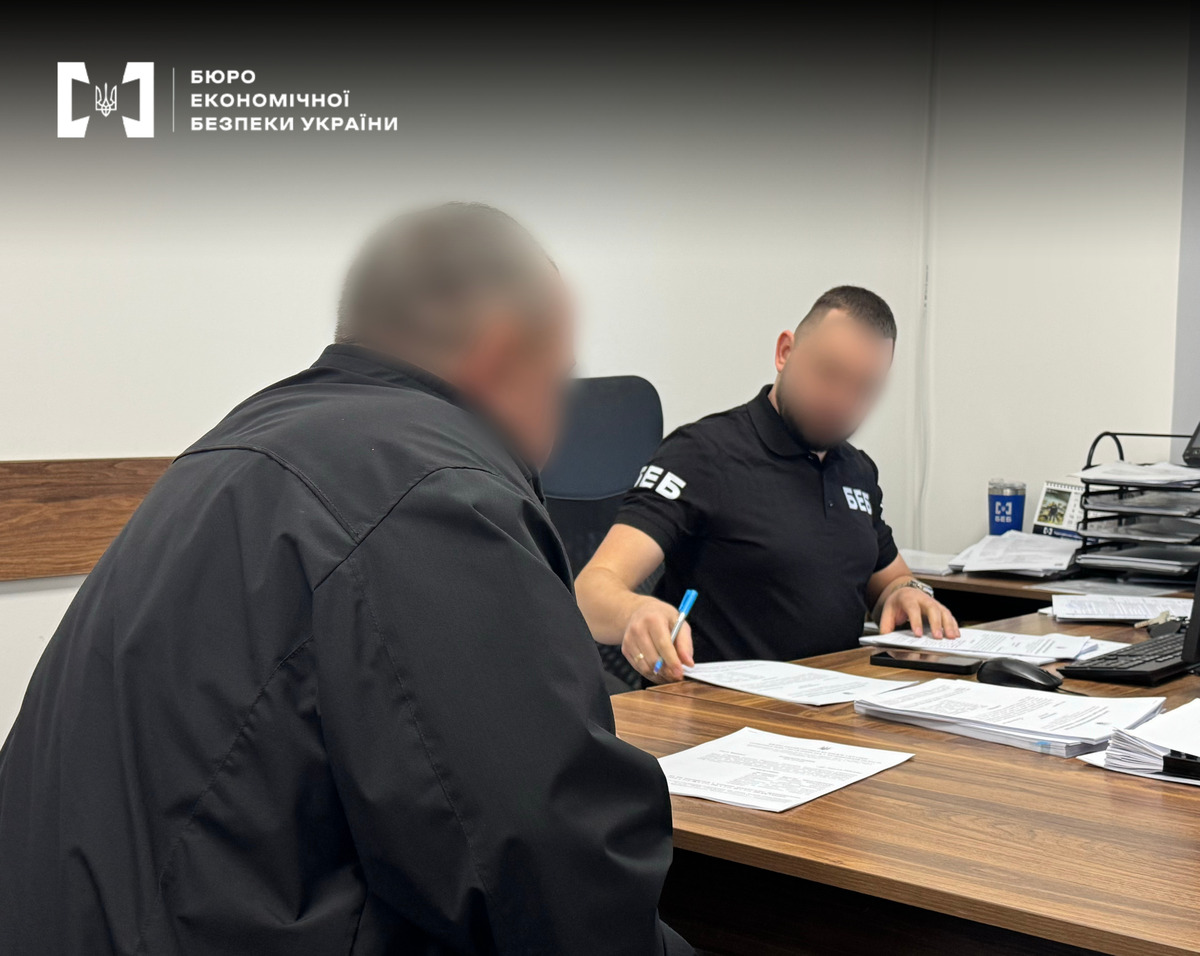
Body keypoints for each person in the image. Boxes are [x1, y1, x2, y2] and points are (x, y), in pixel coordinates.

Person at [0, 203, 693, 955]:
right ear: (499, 353)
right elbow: (558, 886)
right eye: (556, 383)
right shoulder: (435, 493)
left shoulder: (238, 449)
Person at [576, 286, 959, 684]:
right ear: (785, 352)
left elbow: (891, 579)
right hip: (725, 709)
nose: (842, 401)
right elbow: (590, 591)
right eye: (829, 373)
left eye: (863, 388)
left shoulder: (857, 471)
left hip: (836, 704)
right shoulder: (703, 454)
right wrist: (635, 612)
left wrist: (907, 592)